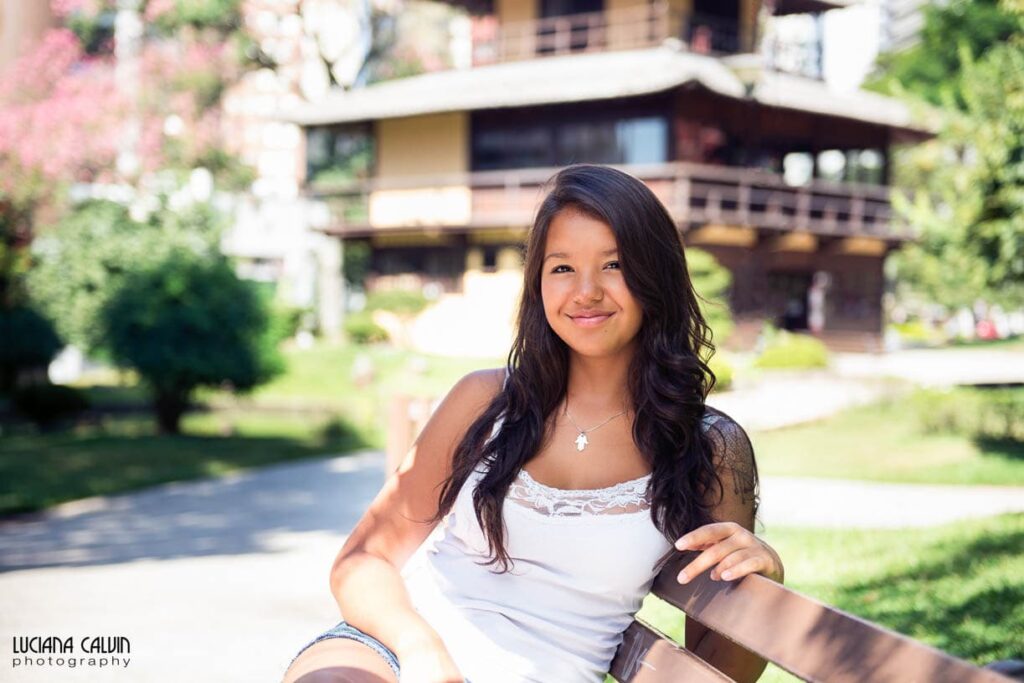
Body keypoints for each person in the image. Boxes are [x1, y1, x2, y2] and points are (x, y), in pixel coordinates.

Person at [283, 164, 785, 683]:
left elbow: (723, 675)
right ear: (538, 283)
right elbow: (363, 560)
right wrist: (422, 651)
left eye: (613, 265)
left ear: (655, 276)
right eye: (562, 268)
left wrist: (764, 582)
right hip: (399, 656)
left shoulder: (706, 447)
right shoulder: (485, 401)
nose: (586, 291)